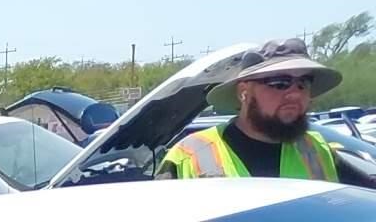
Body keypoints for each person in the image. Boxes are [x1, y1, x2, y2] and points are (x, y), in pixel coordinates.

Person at [160, 40, 375, 185]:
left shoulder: (317, 151)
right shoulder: (189, 156)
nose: (295, 94)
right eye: (280, 83)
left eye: (303, 83)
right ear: (244, 92)